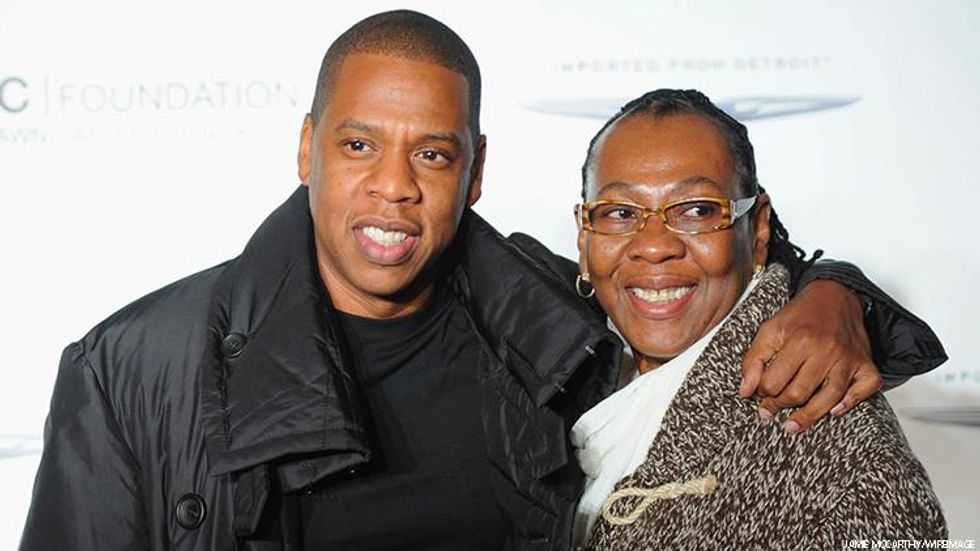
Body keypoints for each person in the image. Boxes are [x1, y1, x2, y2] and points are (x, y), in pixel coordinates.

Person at [19, 11, 945, 551]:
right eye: (357, 145)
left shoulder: (542, 319)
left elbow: (695, 277)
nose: (394, 184)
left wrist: (835, 295)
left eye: (432, 151)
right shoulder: (131, 369)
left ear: (477, 169)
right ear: (306, 148)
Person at [570, 89, 946, 549]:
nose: (653, 244)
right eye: (620, 212)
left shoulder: (846, 457)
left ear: (760, 226)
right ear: (583, 236)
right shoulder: (542, 362)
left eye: (696, 210)